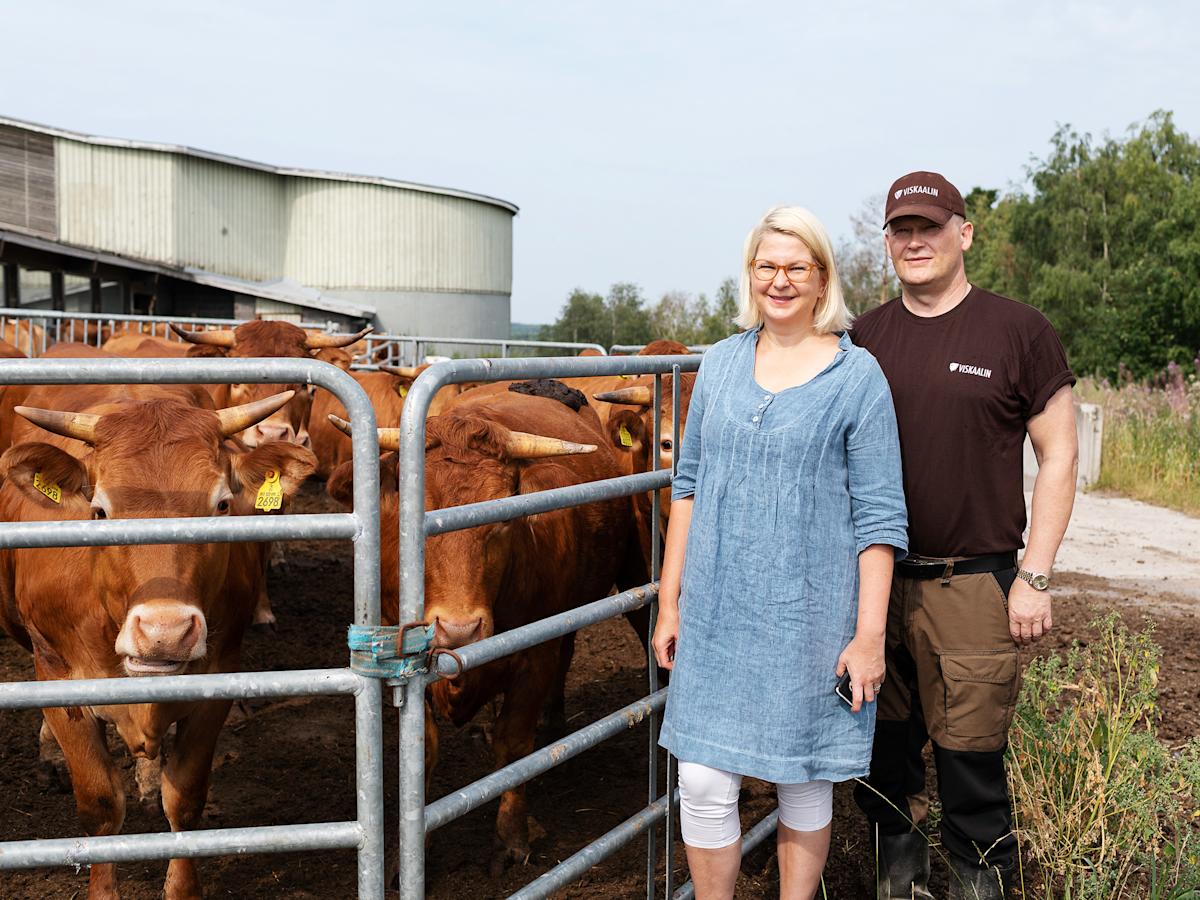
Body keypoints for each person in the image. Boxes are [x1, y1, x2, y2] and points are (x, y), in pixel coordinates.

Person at [653, 206, 908, 899]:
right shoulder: (720, 364)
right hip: (718, 611)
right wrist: (669, 602)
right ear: (751, 275)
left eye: (797, 267)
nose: (781, 280)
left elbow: (880, 519)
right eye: (768, 266)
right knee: (703, 780)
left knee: (803, 776)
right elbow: (689, 488)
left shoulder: (858, 380)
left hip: (812, 616)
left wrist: (869, 636)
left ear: (823, 279)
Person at [850, 172, 1078, 899]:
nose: (914, 242)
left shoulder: (1018, 331)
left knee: (970, 766)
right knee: (885, 764)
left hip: (973, 583)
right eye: (900, 230)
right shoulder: (866, 337)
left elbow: (1060, 454)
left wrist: (1034, 576)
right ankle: (900, 886)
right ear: (887, 242)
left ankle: (984, 888)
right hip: (877, 585)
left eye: (929, 227)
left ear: (964, 233)